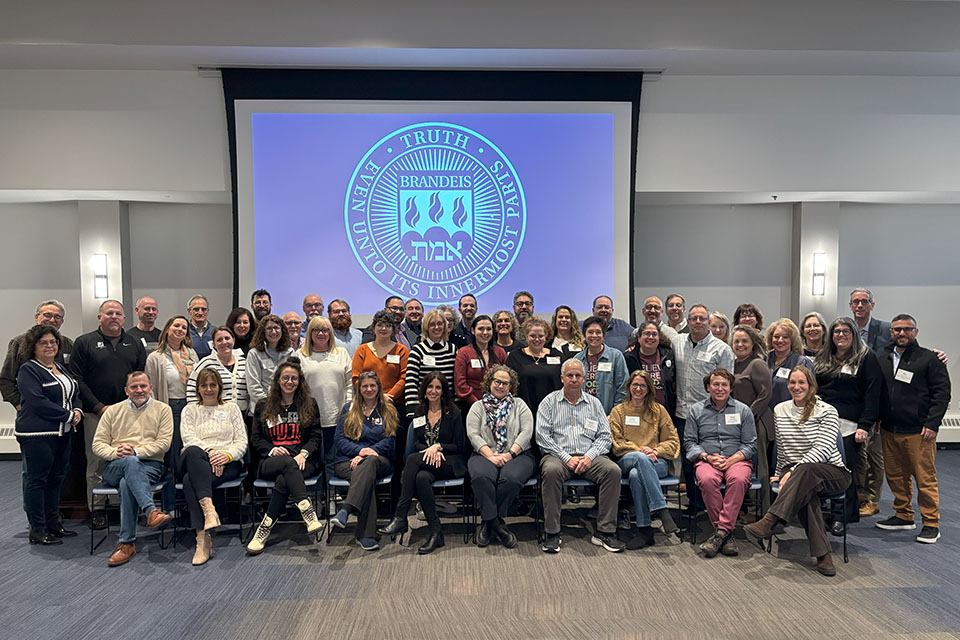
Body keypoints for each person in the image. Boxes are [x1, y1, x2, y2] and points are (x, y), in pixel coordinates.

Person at [745, 366, 851, 577]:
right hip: (798, 472)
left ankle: (771, 520)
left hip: (832, 471)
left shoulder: (827, 411)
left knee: (806, 473)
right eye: (792, 382)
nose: (796, 387)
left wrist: (791, 472)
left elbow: (823, 449)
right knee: (806, 491)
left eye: (801, 382)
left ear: (811, 385)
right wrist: (780, 471)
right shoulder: (781, 409)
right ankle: (823, 555)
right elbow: (782, 446)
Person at [70, 299, 147, 527]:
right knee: (96, 462)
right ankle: (98, 509)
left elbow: (139, 378)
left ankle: (121, 505)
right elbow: (77, 380)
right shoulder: (84, 342)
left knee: (126, 457)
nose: (114, 317)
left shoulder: (133, 343)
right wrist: (98, 406)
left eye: (118, 314)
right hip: (96, 412)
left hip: (128, 413)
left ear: (125, 318)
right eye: (109, 313)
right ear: (100, 317)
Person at [536, 359, 625, 553]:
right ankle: (552, 532)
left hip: (590, 457)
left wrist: (589, 457)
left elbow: (604, 436)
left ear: (584, 379)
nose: (574, 379)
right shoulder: (549, 402)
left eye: (578, 376)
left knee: (612, 470)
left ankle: (605, 531)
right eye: (570, 375)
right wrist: (566, 457)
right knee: (550, 471)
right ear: (562, 378)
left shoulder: (594, 403)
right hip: (557, 456)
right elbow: (542, 436)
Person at [876, 314, 951, 543]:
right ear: (891, 332)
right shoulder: (884, 359)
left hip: (919, 431)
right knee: (896, 476)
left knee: (924, 478)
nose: (901, 333)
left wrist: (932, 424)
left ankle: (930, 523)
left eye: (907, 329)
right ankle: (903, 515)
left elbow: (942, 394)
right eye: (897, 329)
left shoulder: (929, 359)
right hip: (889, 429)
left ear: (915, 332)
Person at [92, 372, 173, 566]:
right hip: (116, 464)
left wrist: (136, 451)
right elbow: (97, 444)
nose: (139, 390)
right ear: (126, 390)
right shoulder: (112, 411)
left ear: (151, 388)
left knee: (127, 481)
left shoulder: (163, 410)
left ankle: (126, 543)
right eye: (134, 387)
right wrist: (116, 452)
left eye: (143, 386)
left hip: (151, 465)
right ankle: (151, 511)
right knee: (129, 466)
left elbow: (164, 444)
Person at [379, 372, 466, 554]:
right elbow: (417, 442)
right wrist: (429, 451)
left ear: (443, 391)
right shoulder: (420, 412)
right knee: (421, 478)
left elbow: (459, 446)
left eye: (438, 387)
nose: (433, 391)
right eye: (430, 387)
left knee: (412, 459)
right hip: (427, 462)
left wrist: (438, 447)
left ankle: (401, 515)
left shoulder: (454, 412)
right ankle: (436, 532)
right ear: (424, 390)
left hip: (450, 462)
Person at [246, 360, 324, 554]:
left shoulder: (309, 404)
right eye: (285, 378)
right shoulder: (264, 405)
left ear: (300, 381)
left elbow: (315, 436)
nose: (290, 382)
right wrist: (272, 450)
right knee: (288, 464)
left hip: (302, 461)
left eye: (294, 378)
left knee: (285, 478)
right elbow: (255, 439)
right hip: (270, 461)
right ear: (278, 381)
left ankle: (263, 530)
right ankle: (307, 511)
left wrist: (304, 453)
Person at [813, 316, 883, 534]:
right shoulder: (824, 357)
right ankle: (824, 512)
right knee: (824, 467)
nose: (840, 335)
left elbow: (873, 394)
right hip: (823, 421)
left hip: (851, 425)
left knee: (845, 470)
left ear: (853, 334)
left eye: (845, 331)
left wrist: (865, 425)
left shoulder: (866, 358)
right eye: (836, 332)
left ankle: (842, 515)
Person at [15, 325, 83, 545]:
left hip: (62, 433)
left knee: (57, 479)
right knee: (37, 481)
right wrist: (68, 415)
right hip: (38, 434)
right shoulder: (29, 369)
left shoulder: (61, 368)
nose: (50, 346)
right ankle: (38, 528)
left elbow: (74, 392)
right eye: (44, 342)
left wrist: (78, 411)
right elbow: (36, 401)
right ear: (33, 346)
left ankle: (54, 524)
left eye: (53, 342)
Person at [685, 368, 757, 558]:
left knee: (739, 480)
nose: (720, 388)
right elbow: (689, 443)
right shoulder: (696, 410)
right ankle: (726, 534)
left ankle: (720, 533)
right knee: (707, 480)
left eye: (724, 384)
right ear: (708, 387)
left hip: (737, 459)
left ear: (731, 388)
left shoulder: (743, 410)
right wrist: (707, 457)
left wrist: (733, 459)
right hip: (708, 459)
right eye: (715, 384)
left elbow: (750, 444)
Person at [178, 368, 247, 565]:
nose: (208, 389)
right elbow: (189, 438)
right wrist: (210, 454)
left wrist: (225, 455)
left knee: (189, 480)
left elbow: (241, 441)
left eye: (213, 385)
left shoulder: (231, 408)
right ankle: (209, 510)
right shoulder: (190, 410)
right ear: (197, 388)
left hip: (227, 462)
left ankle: (202, 539)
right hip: (198, 458)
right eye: (204, 385)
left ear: (219, 387)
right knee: (192, 451)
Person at [671, 304, 735, 511]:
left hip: (709, 414)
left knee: (712, 461)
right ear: (687, 322)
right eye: (693, 319)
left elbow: (726, 385)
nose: (697, 322)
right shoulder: (677, 342)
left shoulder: (722, 349)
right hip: (683, 414)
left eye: (702, 318)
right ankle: (694, 504)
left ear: (708, 322)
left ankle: (717, 506)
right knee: (688, 463)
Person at [608, 370, 680, 549]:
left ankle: (644, 529)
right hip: (627, 458)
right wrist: (640, 450)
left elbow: (673, 442)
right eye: (635, 385)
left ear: (649, 389)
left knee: (635, 475)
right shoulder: (619, 411)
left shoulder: (658, 411)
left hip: (657, 462)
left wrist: (655, 450)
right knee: (638, 461)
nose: (638, 388)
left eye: (642, 385)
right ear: (629, 387)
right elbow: (616, 443)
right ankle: (661, 509)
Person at [466, 365, 535, 548]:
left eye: (506, 383)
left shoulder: (520, 405)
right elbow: (473, 434)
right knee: (481, 477)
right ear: (489, 382)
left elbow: (527, 431)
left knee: (511, 479)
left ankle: (488, 523)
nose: (501, 386)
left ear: (511, 386)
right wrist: (491, 456)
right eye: (497, 381)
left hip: (518, 454)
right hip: (484, 454)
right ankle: (496, 525)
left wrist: (510, 453)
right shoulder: (477, 406)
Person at [330, 371, 398, 551]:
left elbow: (390, 439)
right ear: (358, 389)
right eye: (364, 386)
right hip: (347, 461)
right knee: (366, 477)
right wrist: (359, 451)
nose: (369, 389)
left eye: (372, 386)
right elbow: (339, 440)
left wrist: (369, 452)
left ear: (378, 388)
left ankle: (346, 509)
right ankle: (366, 534)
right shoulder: (349, 409)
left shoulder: (388, 409)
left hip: (379, 459)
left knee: (368, 465)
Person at [144, 315, 198, 511]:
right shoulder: (156, 357)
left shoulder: (191, 355)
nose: (180, 330)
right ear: (167, 329)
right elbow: (150, 389)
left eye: (184, 327)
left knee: (189, 457)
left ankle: (189, 505)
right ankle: (169, 507)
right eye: (176, 325)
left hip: (191, 408)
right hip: (168, 409)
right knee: (171, 459)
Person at [298, 315, 353, 480]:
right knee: (311, 460)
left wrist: (347, 408)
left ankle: (331, 500)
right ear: (309, 333)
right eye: (316, 329)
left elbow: (350, 383)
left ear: (330, 333)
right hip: (309, 418)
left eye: (325, 330)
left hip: (336, 417)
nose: (321, 333)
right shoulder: (300, 355)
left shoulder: (341, 353)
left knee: (332, 459)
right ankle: (316, 499)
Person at [1, 300, 74, 411]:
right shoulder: (19, 343)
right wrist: (18, 403)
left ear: (62, 321)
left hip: (64, 410)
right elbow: (6, 379)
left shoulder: (68, 344)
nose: (52, 320)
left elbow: (74, 376)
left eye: (57, 317)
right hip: (32, 411)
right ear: (36, 317)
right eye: (47, 315)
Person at [731, 325, 774, 510]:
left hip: (758, 422)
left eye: (744, 341)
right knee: (742, 464)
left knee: (760, 467)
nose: (740, 344)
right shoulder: (732, 363)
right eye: (736, 341)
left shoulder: (757, 363)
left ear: (753, 343)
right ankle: (746, 507)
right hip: (738, 423)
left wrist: (747, 417)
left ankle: (764, 512)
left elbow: (765, 395)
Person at [505, 317, 562, 422]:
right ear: (526, 337)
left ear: (546, 337)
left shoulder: (557, 355)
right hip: (523, 411)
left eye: (540, 336)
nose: (537, 339)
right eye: (532, 336)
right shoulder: (515, 356)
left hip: (553, 411)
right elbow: (508, 383)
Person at [403, 309, 457, 419]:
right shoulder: (417, 350)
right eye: (432, 324)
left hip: (448, 409)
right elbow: (411, 382)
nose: (436, 327)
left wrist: (455, 408)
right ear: (426, 327)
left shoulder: (453, 350)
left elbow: (455, 382)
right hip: (423, 409)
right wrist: (414, 410)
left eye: (440, 324)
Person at [352, 310, 409, 408]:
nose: (384, 328)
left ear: (393, 329)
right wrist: (374, 396)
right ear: (373, 328)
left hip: (394, 403)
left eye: (388, 326)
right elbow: (356, 377)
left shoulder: (401, 350)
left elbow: (404, 377)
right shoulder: (362, 350)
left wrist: (389, 396)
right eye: (380, 325)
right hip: (367, 403)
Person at [186, 326, 249, 415]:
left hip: (242, 415)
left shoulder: (244, 363)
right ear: (214, 345)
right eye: (219, 340)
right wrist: (196, 411)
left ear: (233, 341)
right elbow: (192, 387)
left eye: (227, 338)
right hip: (215, 414)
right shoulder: (206, 362)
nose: (224, 342)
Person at [574, 315, 628, 414]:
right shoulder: (577, 359)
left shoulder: (615, 357)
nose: (594, 335)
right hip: (582, 415)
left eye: (598, 332)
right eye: (590, 332)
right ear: (584, 335)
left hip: (608, 415)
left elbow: (623, 389)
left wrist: (614, 414)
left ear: (603, 335)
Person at [623, 321, 677, 418]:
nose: (651, 337)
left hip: (665, 412)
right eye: (647, 333)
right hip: (638, 412)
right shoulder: (628, 358)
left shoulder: (668, 355)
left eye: (654, 334)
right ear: (639, 338)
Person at [454, 314, 507, 409]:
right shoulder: (464, 353)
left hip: (498, 406)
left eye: (489, 329)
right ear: (473, 331)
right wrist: (477, 404)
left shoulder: (500, 352)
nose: (485, 332)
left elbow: (506, 379)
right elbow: (460, 383)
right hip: (471, 405)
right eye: (481, 329)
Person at [245, 314, 294, 414]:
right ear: (263, 331)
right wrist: (269, 405)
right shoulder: (254, 354)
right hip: (262, 409)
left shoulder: (290, 353)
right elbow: (253, 386)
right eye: (269, 328)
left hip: (285, 409)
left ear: (282, 330)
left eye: (276, 328)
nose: (273, 332)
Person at [765, 318, 815, 412]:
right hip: (765, 416)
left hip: (791, 415)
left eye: (785, 337)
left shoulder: (802, 363)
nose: (780, 340)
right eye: (776, 336)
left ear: (792, 340)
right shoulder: (763, 360)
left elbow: (810, 393)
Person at [849, 288, 893, 354]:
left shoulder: (887, 329)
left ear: (872, 306)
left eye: (864, 302)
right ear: (850, 306)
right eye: (856, 302)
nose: (860, 305)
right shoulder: (846, 330)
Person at [186, 295, 215, 359]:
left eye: (203, 309)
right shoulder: (184, 332)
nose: (200, 312)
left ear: (207, 311)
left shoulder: (215, 332)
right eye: (196, 309)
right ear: (189, 311)